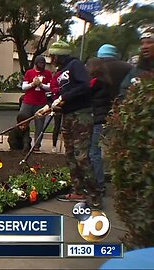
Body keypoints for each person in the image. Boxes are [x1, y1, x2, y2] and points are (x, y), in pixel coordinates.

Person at [42, 40, 101, 208]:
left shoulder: (75, 65)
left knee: (82, 157)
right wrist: (52, 104)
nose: (51, 59)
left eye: (53, 56)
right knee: (70, 155)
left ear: (60, 55)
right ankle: (78, 190)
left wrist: (64, 98)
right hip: (67, 116)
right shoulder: (60, 73)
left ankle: (95, 194)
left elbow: (85, 87)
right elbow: (60, 93)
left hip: (81, 115)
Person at [86, 57, 111, 196]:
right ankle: (98, 183)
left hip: (97, 120)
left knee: (93, 153)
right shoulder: (105, 82)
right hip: (101, 119)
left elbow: (85, 93)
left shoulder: (96, 82)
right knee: (95, 152)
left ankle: (99, 185)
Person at [20, 55, 52, 152]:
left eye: (43, 63)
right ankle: (24, 143)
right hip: (28, 101)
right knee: (23, 122)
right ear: (36, 63)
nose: (42, 65)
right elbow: (24, 87)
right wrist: (33, 84)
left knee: (39, 125)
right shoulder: (29, 73)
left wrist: (41, 85)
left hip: (41, 103)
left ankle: (37, 145)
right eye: (40, 63)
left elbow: (50, 87)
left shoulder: (48, 73)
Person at [120, 27, 154, 99]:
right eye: (142, 43)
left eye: (149, 42)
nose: (144, 47)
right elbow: (124, 91)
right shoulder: (136, 71)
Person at [50, 68, 62, 153]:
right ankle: (54, 145)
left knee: (66, 125)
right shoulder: (56, 76)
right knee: (57, 125)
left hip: (67, 102)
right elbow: (52, 87)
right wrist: (59, 90)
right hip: (57, 103)